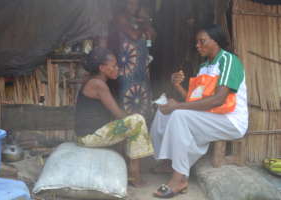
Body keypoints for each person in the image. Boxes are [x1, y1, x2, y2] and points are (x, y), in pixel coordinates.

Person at [150, 24, 248, 198]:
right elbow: (194, 101)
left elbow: (218, 99)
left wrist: (177, 106)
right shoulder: (205, 66)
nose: (197, 46)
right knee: (164, 111)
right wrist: (177, 86)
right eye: (197, 42)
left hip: (230, 119)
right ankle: (167, 160)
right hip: (211, 115)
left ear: (216, 41)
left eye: (202, 41)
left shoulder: (228, 60)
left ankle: (179, 179)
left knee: (179, 115)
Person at [74, 47, 154, 187]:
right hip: (89, 137)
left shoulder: (95, 81)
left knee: (134, 121)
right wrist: (135, 117)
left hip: (88, 134)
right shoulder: (98, 84)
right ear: (102, 68)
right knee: (138, 121)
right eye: (114, 66)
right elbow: (118, 113)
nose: (118, 68)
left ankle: (132, 171)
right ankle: (134, 174)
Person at [108, 0, 156, 123]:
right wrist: (144, 25)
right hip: (127, 67)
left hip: (141, 67)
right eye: (130, 4)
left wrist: (147, 23)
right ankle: (129, 130)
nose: (133, 7)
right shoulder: (120, 18)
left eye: (136, 4)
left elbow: (153, 36)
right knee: (127, 96)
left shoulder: (139, 20)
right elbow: (134, 35)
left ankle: (143, 128)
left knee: (143, 98)